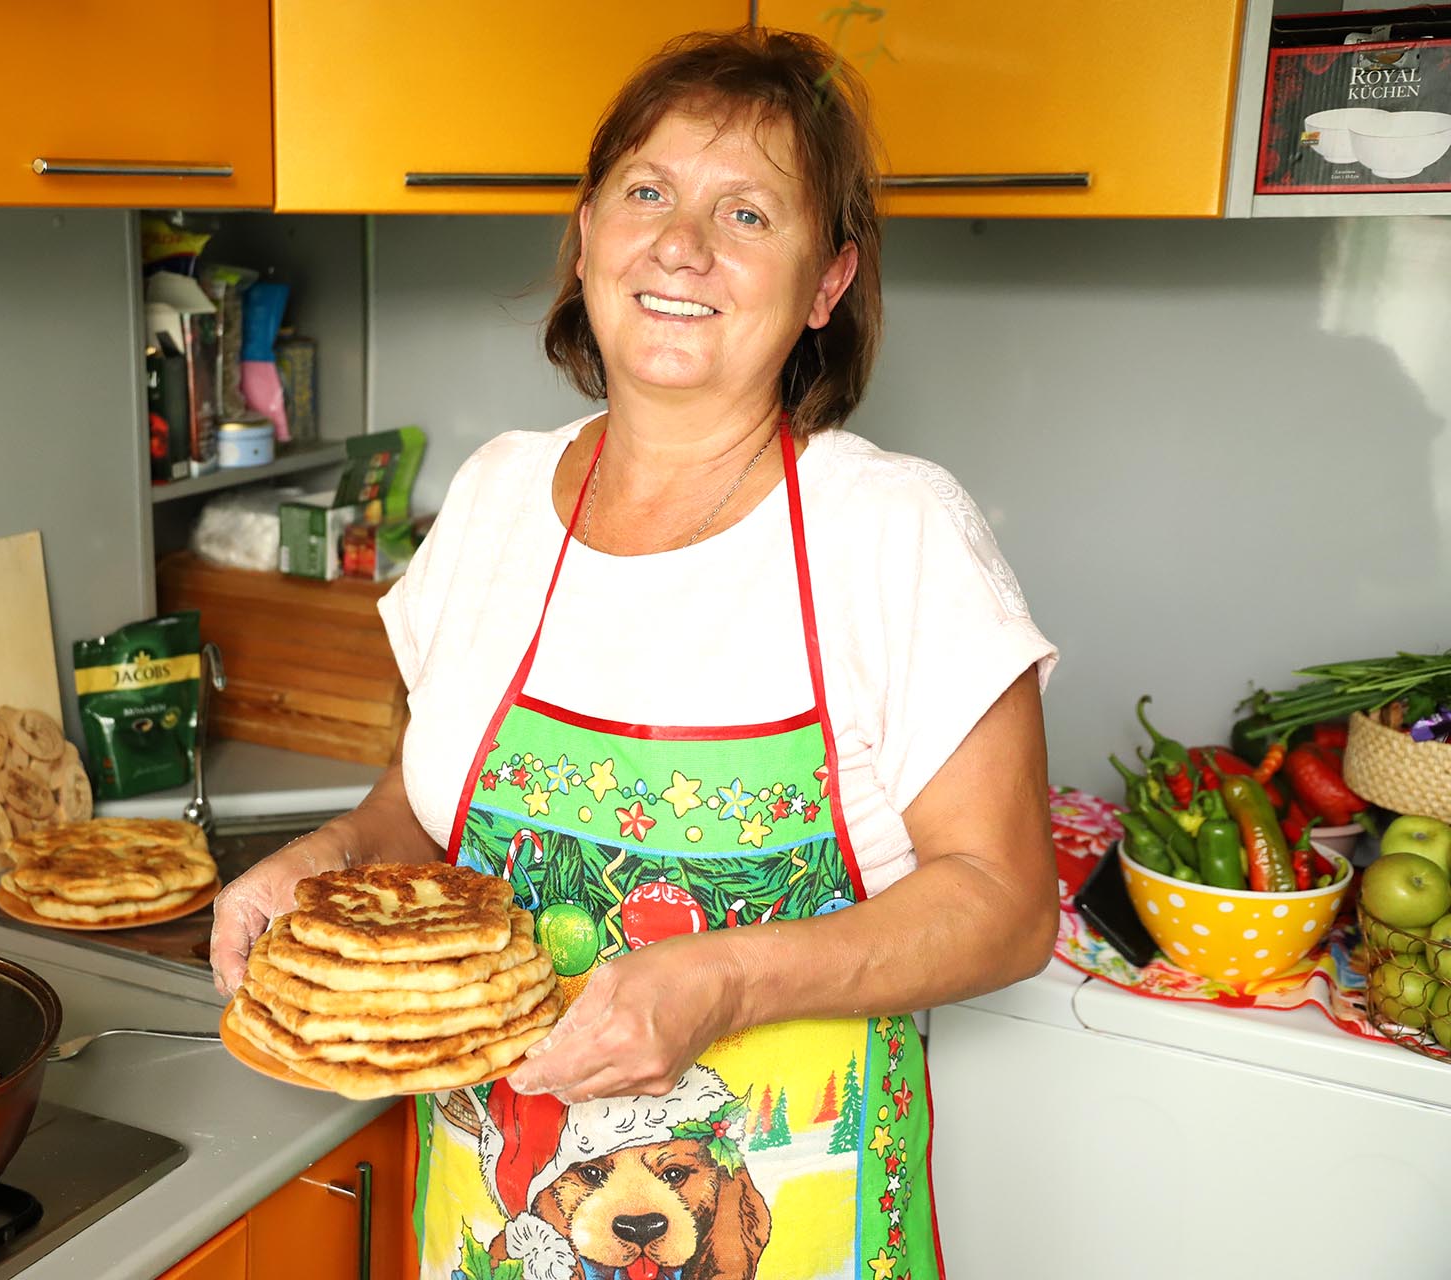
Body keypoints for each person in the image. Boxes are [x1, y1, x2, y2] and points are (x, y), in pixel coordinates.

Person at [212, 27, 1058, 1280]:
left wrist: (719, 982)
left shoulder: (893, 529)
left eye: (749, 212)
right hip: (497, 1224)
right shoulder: (496, 498)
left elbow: (1005, 901)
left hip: (787, 1231)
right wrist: (335, 858)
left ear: (828, 281)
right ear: (586, 234)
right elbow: (424, 797)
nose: (682, 244)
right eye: (649, 192)